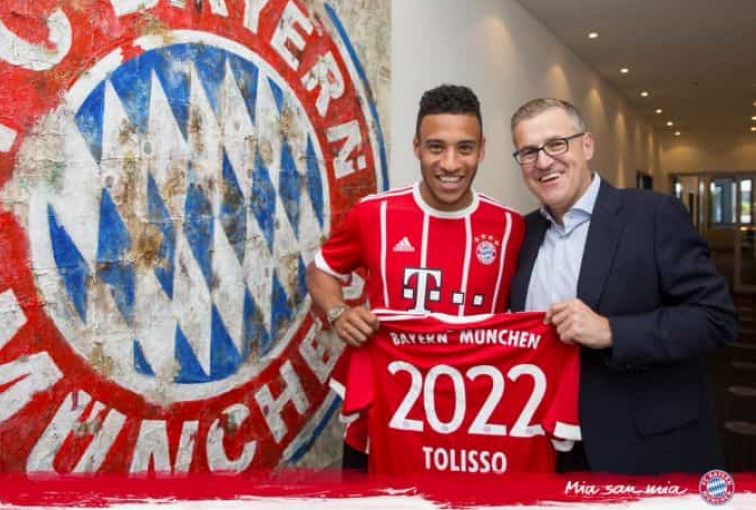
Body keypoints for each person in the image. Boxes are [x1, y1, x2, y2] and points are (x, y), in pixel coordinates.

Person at [508, 98, 738, 474]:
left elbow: (716, 319)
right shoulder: (521, 233)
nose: (544, 161)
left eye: (556, 144)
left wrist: (612, 331)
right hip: (549, 450)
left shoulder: (653, 215)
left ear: (586, 145)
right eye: (529, 152)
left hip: (644, 450)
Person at [306, 84, 525, 470]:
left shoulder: (510, 227)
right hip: (381, 423)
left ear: (482, 150)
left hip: (473, 433)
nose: (450, 164)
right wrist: (339, 312)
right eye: (436, 147)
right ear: (416, 147)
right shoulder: (374, 214)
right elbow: (321, 270)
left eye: (465, 148)